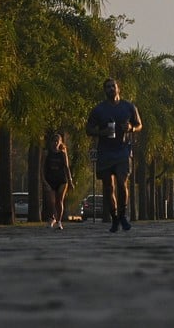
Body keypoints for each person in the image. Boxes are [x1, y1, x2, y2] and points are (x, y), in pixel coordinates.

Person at [86, 78, 143, 232]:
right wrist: (100, 132)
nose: (111, 89)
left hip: (122, 151)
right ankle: (114, 218)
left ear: (119, 88)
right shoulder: (99, 109)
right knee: (108, 187)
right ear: (105, 90)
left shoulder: (129, 107)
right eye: (108, 87)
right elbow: (88, 129)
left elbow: (139, 125)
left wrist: (131, 127)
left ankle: (123, 215)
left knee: (121, 182)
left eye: (113, 86)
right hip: (105, 152)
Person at [44, 132, 74, 230]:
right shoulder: (47, 153)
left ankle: (59, 221)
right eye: (54, 140)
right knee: (51, 201)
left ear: (60, 142)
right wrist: (44, 181)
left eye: (57, 141)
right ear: (51, 142)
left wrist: (70, 181)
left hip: (62, 180)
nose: (55, 142)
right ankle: (52, 218)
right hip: (50, 180)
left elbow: (67, 167)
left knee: (59, 201)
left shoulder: (62, 154)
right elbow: (42, 169)